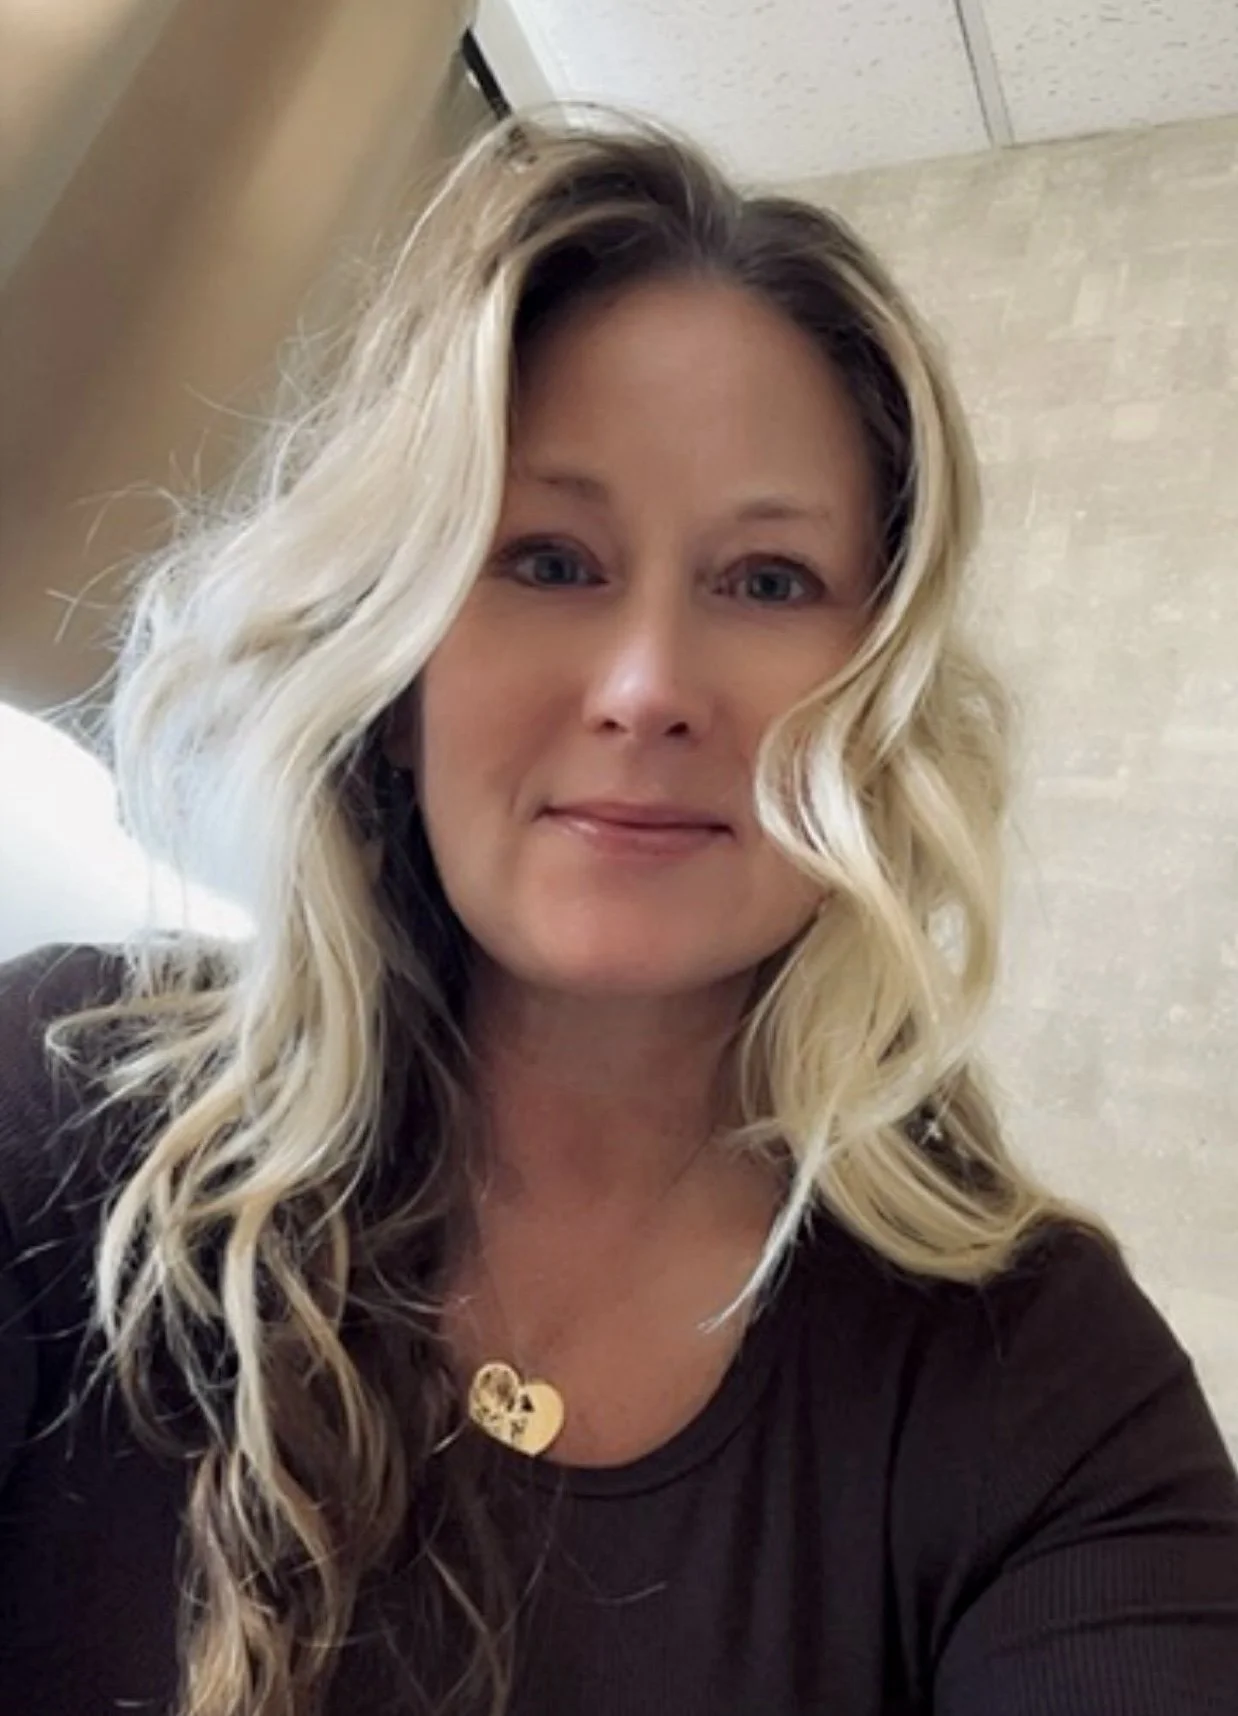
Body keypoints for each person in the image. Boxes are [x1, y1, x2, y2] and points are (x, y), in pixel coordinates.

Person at [0, 109, 1235, 1716]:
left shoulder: (1042, 1381)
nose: (648, 686)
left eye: (767, 582)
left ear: (876, 708)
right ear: (398, 666)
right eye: (548, 559)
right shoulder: (59, 1096)